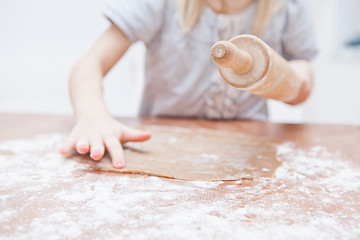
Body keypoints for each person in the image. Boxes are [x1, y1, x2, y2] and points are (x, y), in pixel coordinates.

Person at [60, 0, 318, 168]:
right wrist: (92, 115)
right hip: (158, 148)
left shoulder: (288, 7)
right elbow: (88, 65)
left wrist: (298, 81)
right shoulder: (161, 5)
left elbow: (301, 69)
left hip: (246, 153)